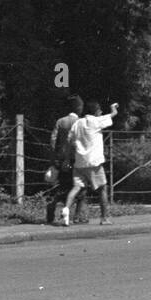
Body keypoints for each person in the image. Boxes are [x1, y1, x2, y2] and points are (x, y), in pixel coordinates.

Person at [63, 100, 118, 226]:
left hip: (79, 162)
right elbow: (113, 114)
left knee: (76, 187)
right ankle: (104, 218)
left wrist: (67, 158)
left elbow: (70, 141)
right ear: (97, 111)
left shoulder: (77, 123)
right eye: (100, 111)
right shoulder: (96, 121)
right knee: (102, 188)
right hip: (94, 163)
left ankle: (66, 209)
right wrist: (113, 107)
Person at [47, 95, 85, 225]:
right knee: (80, 187)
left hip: (61, 159)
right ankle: (77, 216)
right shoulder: (80, 122)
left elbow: (53, 140)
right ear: (79, 108)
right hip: (76, 160)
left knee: (62, 186)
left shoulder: (60, 121)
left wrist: (54, 158)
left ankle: (52, 207)